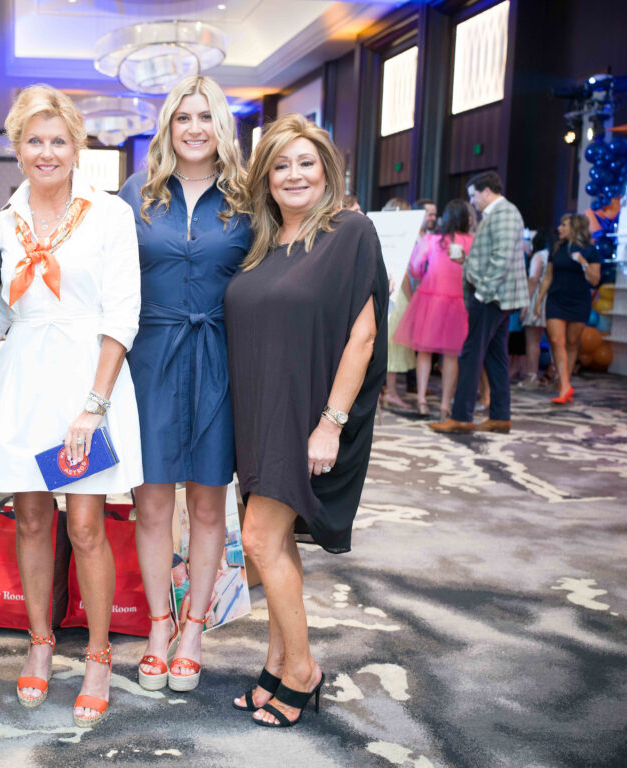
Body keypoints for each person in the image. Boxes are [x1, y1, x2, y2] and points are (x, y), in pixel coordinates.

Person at [0, 84, 143, 728]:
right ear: (17, 148)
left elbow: (122, 314)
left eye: (58, 140)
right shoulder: (2, 224)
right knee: (29, 519)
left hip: (86, 383)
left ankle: (99, 655)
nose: (46, 152)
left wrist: (95, 405)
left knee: (84, 525)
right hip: (24, 382)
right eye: (34, 141)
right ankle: (41, 642)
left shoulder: (109, 215)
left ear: (77, 146)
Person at [224, 115, 387, 727]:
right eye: (281, 165)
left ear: (326, 170)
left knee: (260, 540)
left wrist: (331, 423)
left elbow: (363, 337)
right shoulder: (261, 245)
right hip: (256, 413)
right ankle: (275, 665)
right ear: (265, 178)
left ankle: (302, 670)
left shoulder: (350, 233)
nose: (294, 175)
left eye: (305, 163)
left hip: (303, 416)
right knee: (276, 542)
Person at [117, 76, 250, 693]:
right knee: (151, 503)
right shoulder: (136, 195)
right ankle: (158, 626)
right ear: (168, 127)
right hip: (150, 359)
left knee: (207, 503)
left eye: (205, 117)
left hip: (220, 357)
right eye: (182, 118)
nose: (194, 129)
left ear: (221, 127)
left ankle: (194, 629)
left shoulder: (248, 198)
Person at [431, 171, 529, 434]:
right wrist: (467, 261)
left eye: (474, 195)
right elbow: (492, 256)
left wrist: (482, 293)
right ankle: (500, 416)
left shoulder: (505, 213)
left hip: (492, 297)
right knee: (496, 358)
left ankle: (462, 416)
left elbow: (501, 259)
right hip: (495, 296)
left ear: (487, 191)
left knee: (471, 355)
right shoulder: (497, 214)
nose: (472, 201)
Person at [393, 200, 475, 419]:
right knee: (451, 355)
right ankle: (445, 404)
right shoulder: (472, 242)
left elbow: (415, 267)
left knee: (424, 352)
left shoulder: (432, 240)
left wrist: (424, 275)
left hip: (430, 299)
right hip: (458, 301)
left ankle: (421, 400)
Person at [533, 213, 601, 403]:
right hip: (556, 299)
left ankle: (565, 383)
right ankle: (564, 385)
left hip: (578, 301)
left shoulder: (590, 251)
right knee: (556, 341)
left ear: (574, 227)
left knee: (572, 343)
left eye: (564, 225)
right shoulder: (556, 248)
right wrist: (539, 301)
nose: (559, 228)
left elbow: (595, 280)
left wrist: (583, 263)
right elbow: (548, 277)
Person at [381, 197, 415, 409]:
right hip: (397, 295)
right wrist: (412, 301)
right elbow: (403, 275)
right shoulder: (402, 236)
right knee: (392, 345)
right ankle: (391, 392)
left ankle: (385, 390)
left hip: (380, 292)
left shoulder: (378, 232)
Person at [519, 231, 550, 389]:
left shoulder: (539, 256)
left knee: (532, 341)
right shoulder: (553, 255)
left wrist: (525, 305)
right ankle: (554, 375)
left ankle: (532, 376)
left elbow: (533, 280)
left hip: (537, 299)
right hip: (552, 300)